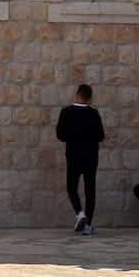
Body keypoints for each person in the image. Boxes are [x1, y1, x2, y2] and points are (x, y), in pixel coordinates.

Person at [56, 83, 105, 235]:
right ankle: (88, 226)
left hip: (73, 156)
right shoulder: (94, 113)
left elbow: (60, 135)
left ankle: (80, 213)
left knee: (72, 187)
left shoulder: (66, 112)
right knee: (90, 190)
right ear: (89, 98)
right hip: (91, 157)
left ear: (76, 94)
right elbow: (101, 136)